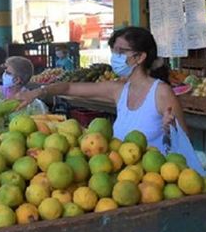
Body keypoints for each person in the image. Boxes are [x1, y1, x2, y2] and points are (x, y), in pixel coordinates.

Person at [15, 26, 188, 152]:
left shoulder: (161, 92)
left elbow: (184, 144)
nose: (115, 58)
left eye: (121, 52)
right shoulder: (118, 90)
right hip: (125, 180)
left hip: (154, 184)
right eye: (114, 52)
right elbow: (68, 87)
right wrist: (38, 92)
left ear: (140, 57)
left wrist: (170, 130)